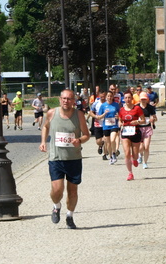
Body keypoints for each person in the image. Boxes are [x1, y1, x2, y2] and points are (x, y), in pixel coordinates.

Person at [40, 89, 90, 229]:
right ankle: (56, 206)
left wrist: (79, 140)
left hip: (74, 158)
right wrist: (43, 141)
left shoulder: (79, 115)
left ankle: (69, 216)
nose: (66, 101)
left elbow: (87, 134)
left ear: (74, 101)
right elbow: (45, 126)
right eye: (63, 98)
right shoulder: (51, 113)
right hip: (56, 158)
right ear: (59, 99)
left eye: (69, 99)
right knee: (57, 190)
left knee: (72, 191)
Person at [118, 91, 146, 181]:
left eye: (129, 97)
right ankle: (130, 173)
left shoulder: (137, 108)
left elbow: (143, 120)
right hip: (125, 133)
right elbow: (119, 120)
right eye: (126, 98)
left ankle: (135, 158)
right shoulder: (121, 110)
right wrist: (120, 123)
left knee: (135, 155)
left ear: (132, 99)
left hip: (135, 132)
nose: (127, 99)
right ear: (123, 99)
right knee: (126, 153)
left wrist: (137, 121)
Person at [93, 91, 121, 163]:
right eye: (108, 96)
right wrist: (104, 113)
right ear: (106, 97)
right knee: (108, 143)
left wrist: (119, 117)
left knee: (112, 140)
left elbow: (120, 114)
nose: (109, 97)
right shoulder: (103, 105)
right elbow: (99, 117)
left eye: (111, 96)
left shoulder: (116, 105)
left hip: (114, 125)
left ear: (113, 97)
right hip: (106, 126)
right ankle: (111, 156)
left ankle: (114, 153)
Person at [137, 91, 157, 168]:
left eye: (144, 99)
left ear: (147, 99)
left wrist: (153, 119)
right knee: (141, 147)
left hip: (147, 128)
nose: (143, 100)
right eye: (142, 99)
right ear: (140, 99)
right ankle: (139, 155)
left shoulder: (150, 108)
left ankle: (145, 163)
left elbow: (155, 117)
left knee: (146, 146)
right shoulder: (137, 107)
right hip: (139, 128)